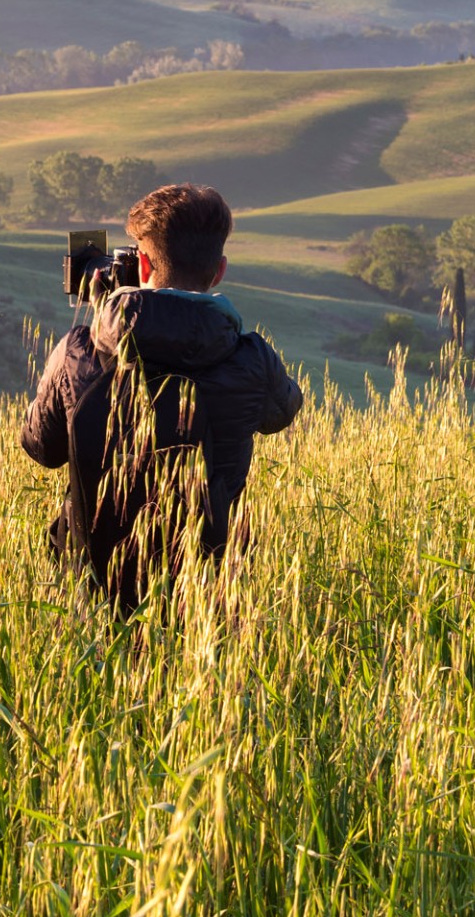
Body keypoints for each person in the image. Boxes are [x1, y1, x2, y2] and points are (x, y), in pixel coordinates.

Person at [21, 184, 302, 614]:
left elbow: (42, 448)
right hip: (205, 588)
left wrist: (107, 314)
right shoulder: (252, 360)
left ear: (144, 262)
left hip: (92, 588)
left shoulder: (79, 351)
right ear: (220, 270)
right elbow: (282, 412)